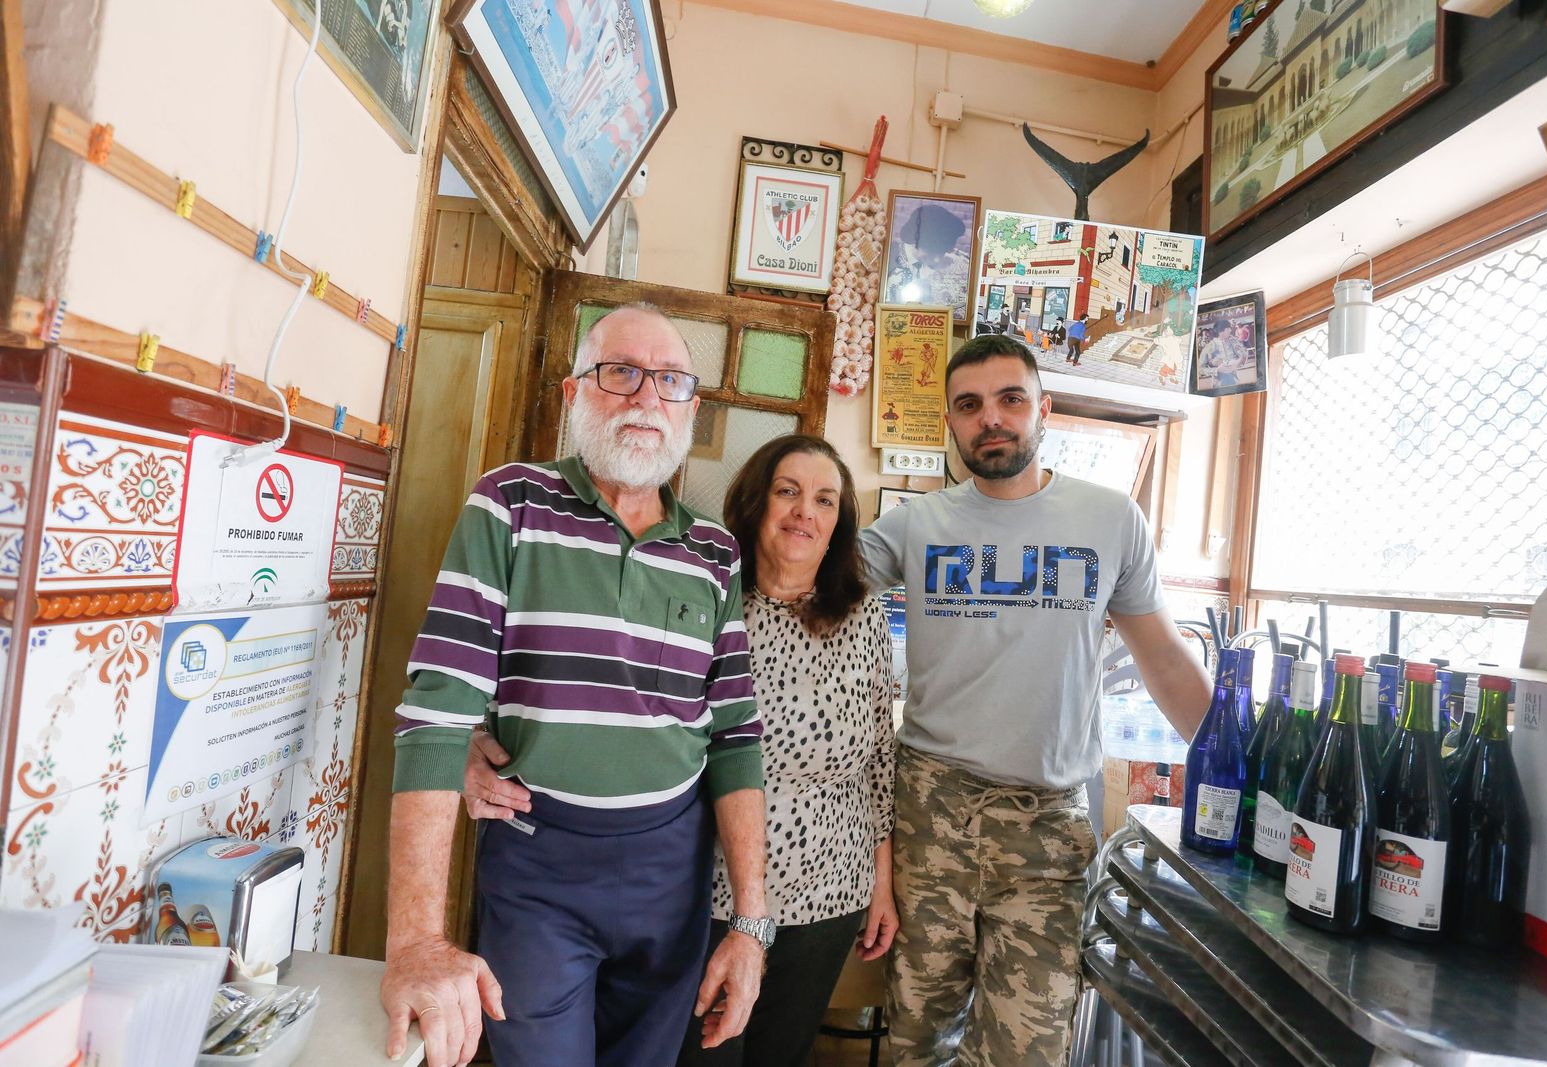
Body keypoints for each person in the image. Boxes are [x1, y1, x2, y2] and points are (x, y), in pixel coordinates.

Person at [380, 303, 772, 1067]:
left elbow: (736, 738)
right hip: (538, 864)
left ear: (691, 407)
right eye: (620, 372)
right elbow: (435, 711)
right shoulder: (509, 504)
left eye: (670, 380)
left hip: (671, 871)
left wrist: (751, 925)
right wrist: (417, 941)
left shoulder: (714, 552)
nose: (646, 398)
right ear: (572, 394)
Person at [467, 434, 899, 1067]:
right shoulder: (705, 590)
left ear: (841, 522)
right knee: (700, 1054)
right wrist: (473, 738)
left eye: (825, 500)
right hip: (705, 888)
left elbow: (879, 761)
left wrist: (882, 883)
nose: (805, 512)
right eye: (788, 492)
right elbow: (586, 679)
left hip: (832, 888)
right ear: (756, 503)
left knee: (781, 1054)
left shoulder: (864, 618)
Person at [858, 333, 1212, 1066]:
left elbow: (1167, 664)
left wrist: (1250, 771)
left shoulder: (1111, 519)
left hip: (1047, 830)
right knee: (918, 1037)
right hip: (930, 814)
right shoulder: (918, 524)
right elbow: (806, 579)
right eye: (969, 405)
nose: (991, 418)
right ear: (951, 423)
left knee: (1030, 1047)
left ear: (1043, 410)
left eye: (1010, 399)